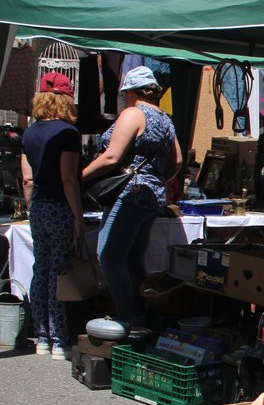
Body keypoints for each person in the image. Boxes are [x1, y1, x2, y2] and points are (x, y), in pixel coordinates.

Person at [81, 66, 182, 326]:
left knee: (110, 257)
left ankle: (129, 317)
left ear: (131, 92)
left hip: (130, 193)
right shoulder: (165, 119)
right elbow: (178, 160)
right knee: (135, 258)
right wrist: (159, 179)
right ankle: (143, 315)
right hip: (152, 195)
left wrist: (79, 177)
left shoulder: (133, 113)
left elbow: (112, 157)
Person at [20, 72, 84, 360]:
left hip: (39, 206)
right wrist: (78, 216)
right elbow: (68, 178)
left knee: (40, 270)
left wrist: (32, 206)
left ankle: (42, 337)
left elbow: (27, 179)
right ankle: (59, 340)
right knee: (59, 273)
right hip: (59, 206)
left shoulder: (30, 132)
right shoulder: (67, 133)